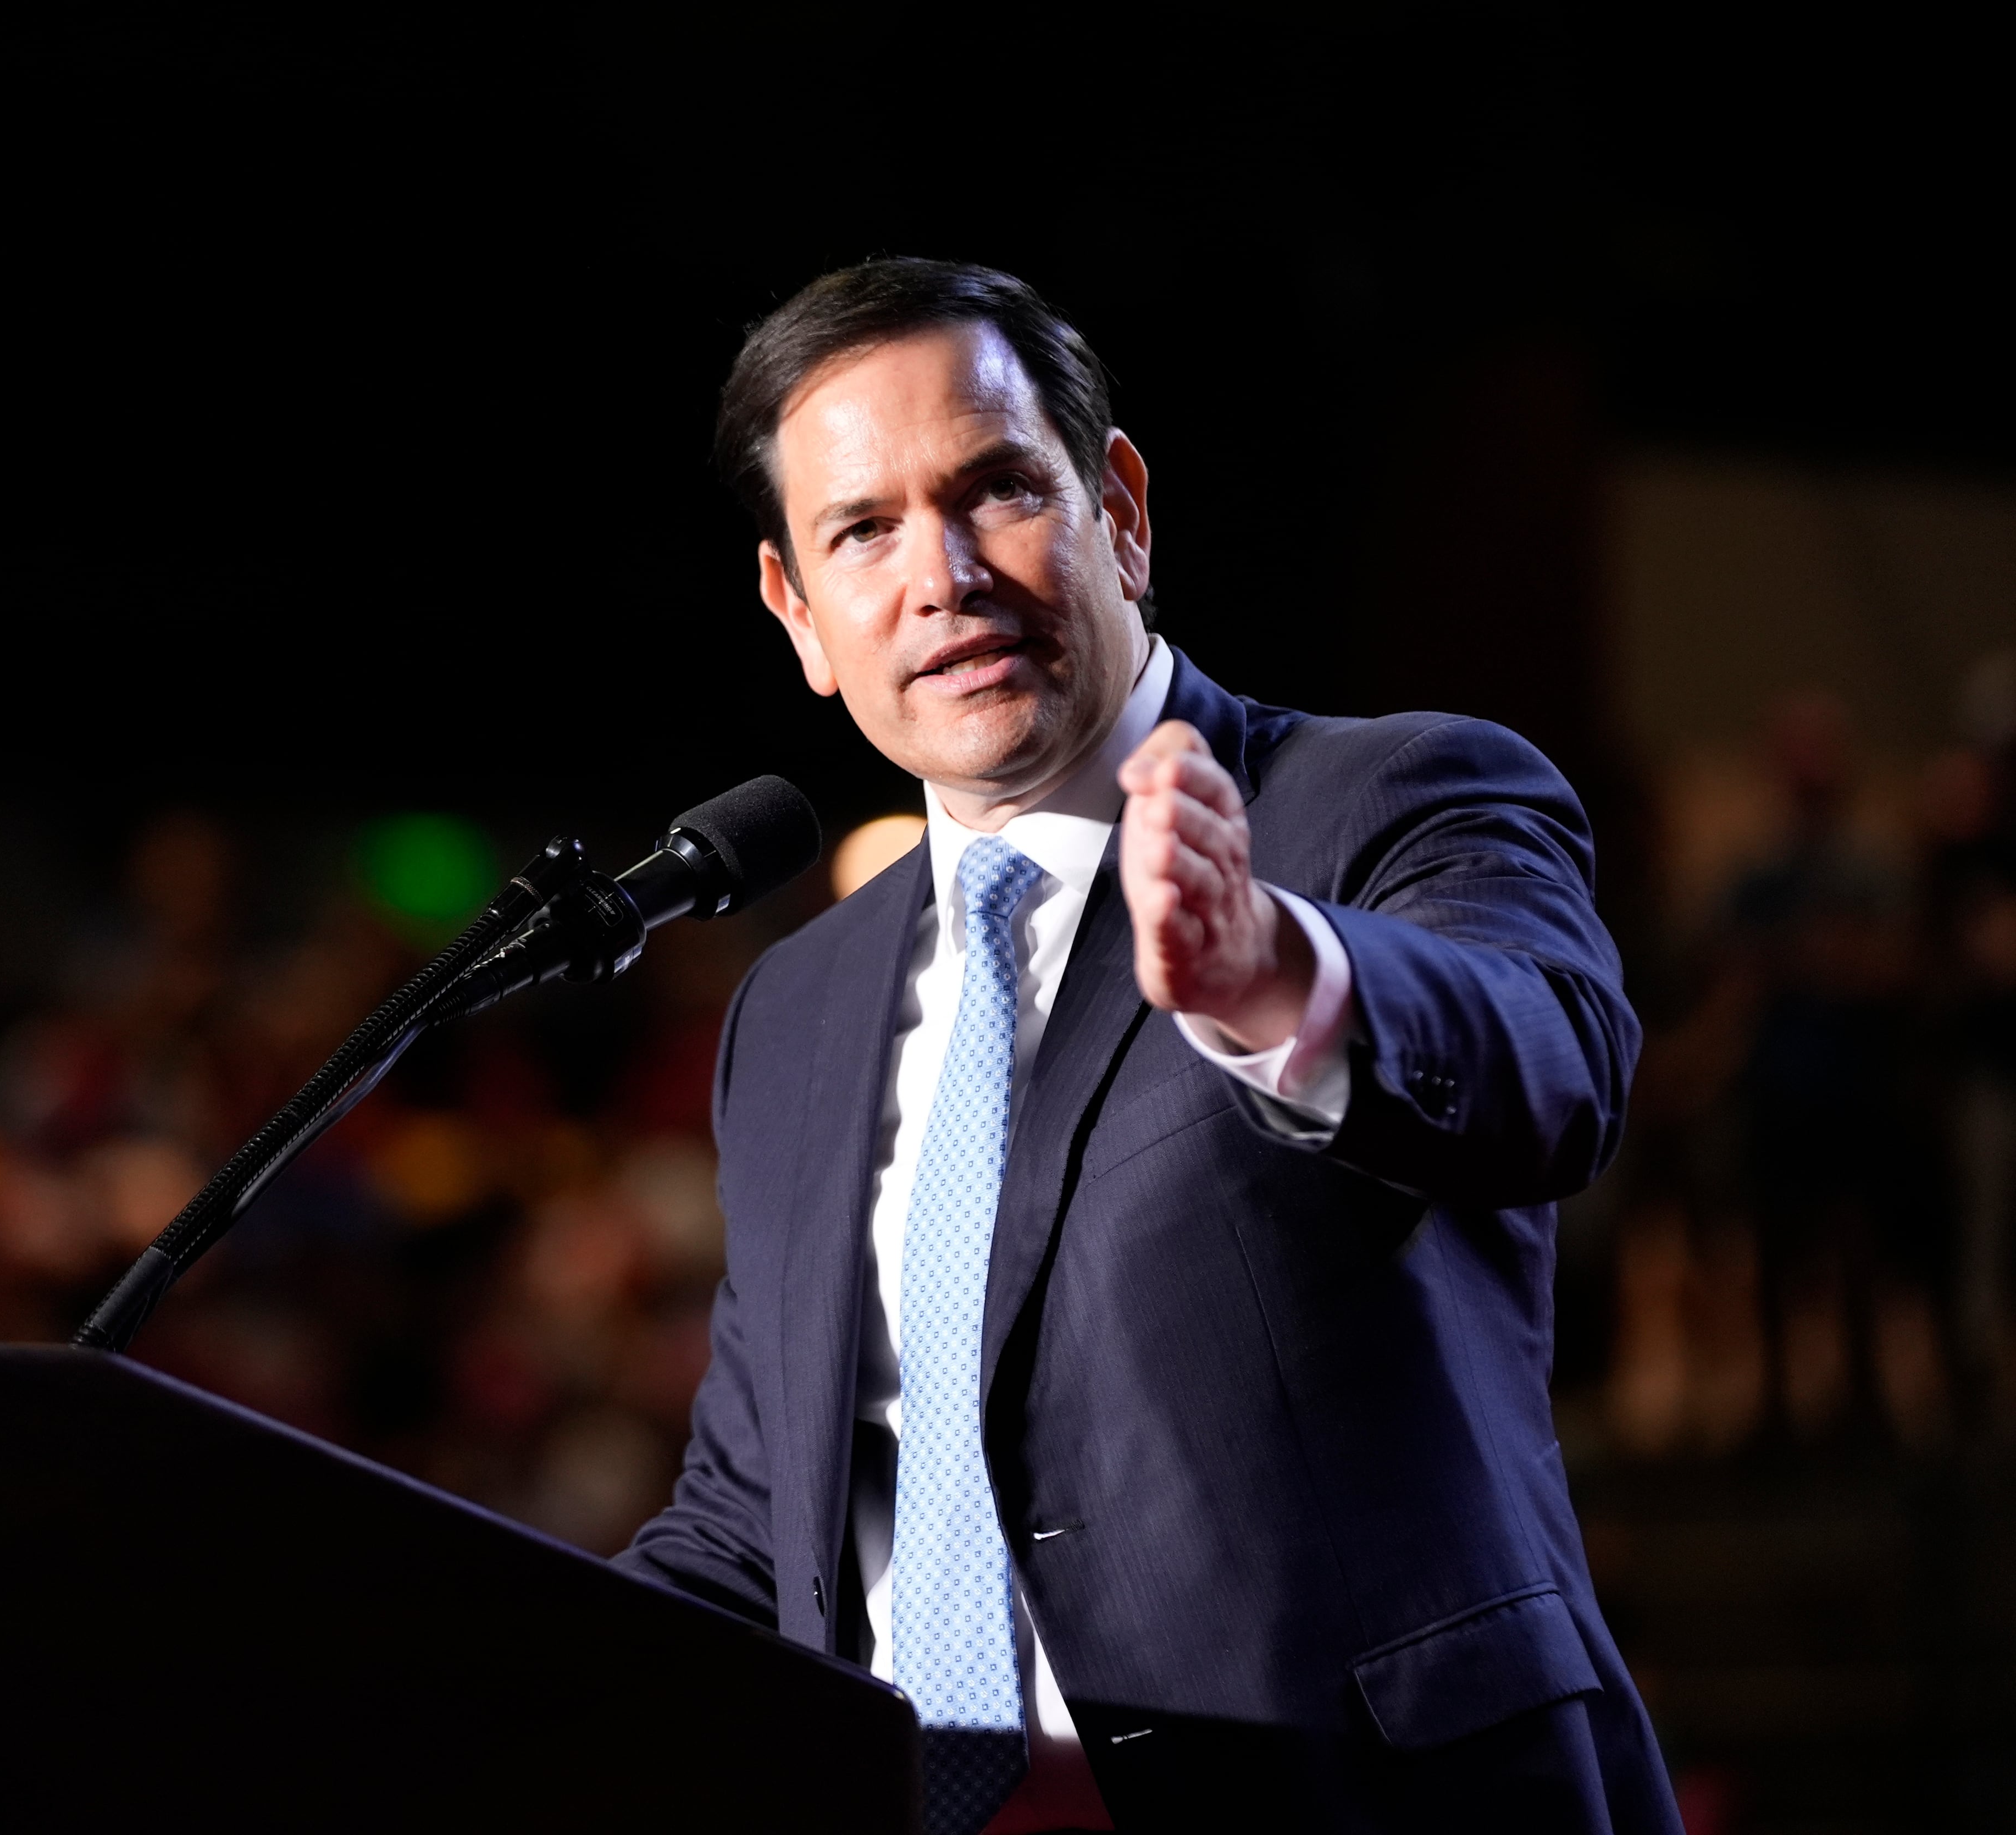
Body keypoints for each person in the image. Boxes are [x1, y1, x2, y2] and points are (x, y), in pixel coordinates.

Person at [614, 260, 1677, 1834]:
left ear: (1119, 507)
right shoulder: (798, 1008)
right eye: (866, 530)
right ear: (801, 614)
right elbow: (758, 1512)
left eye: (995, 491)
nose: (945, 574)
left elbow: (1549, 1060)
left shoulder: (1387, 801)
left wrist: (1280, 979)